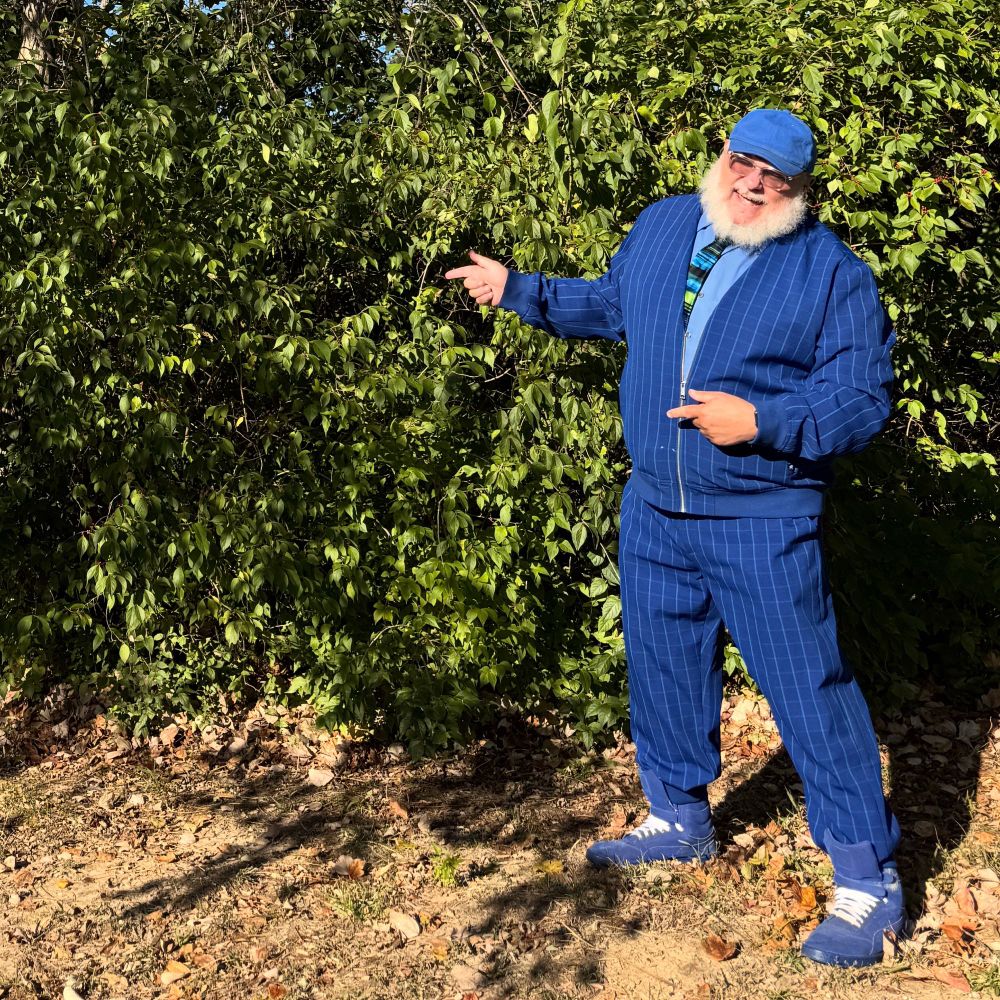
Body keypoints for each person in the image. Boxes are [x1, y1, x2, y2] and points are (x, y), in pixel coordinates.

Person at [445, 109, 903, 968]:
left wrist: (764, 419)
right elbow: (619, 305)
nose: (753, 183)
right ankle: (679, 819)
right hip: (655, 505)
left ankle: (867, 877)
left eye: (776, 175)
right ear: (722, 156)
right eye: (743, 162)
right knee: (663, 662)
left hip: (761, 516)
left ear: (800, 187)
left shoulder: (831, 272)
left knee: (810, 689)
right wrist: (522, 291)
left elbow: (862, 400)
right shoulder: (665, 224)